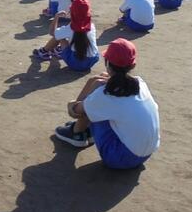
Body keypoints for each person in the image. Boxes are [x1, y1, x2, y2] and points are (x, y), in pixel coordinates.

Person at [54, 38, 160, 169]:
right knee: (101, 102)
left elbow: (75, 111)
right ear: (132, 65)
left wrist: (87, 89)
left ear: (108, 63)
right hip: (145, 153)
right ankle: (87, 130)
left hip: (119, 158)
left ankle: (77, 134)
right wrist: (94, 81)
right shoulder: (140, 83)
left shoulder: (105, 94)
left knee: (93, 105)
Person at [34, 0, 100, 72]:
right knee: (76, 38)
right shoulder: (91, 26)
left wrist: (56, 17)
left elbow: (52, 32)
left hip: (76, 64)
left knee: (61, 37)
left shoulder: (69, 29)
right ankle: (60, 50)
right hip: (93, 59)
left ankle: (43, 51)